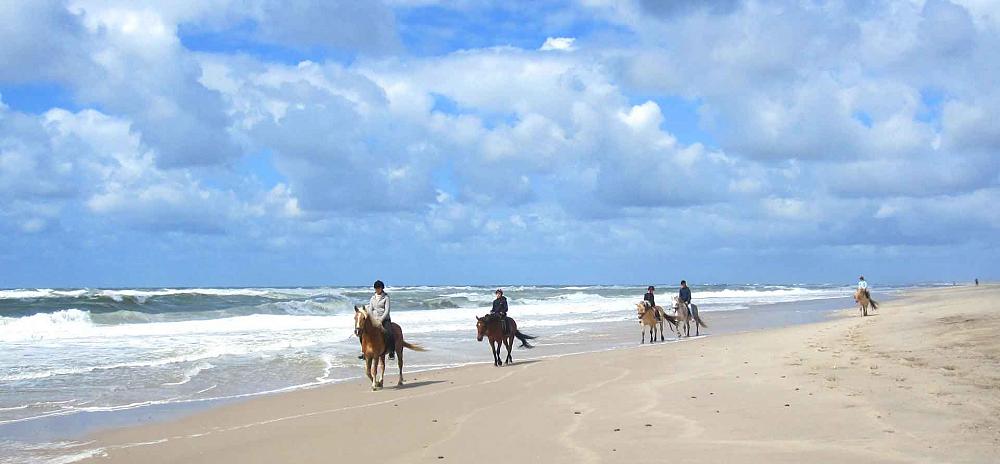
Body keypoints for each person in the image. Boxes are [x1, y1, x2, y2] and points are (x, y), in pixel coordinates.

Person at [369, 280, 395, 360]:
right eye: (376, 288)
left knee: (389, 333)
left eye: (378, 288)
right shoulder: (372, 298)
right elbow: (370, 309)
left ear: (382, 288)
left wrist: (381, 319)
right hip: (374, 319)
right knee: (363, 332)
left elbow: (387, 310)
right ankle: (364, 351)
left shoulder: (386, 297)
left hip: (385, 319)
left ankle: (391, 352)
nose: (377, 289)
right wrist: (372, 318)